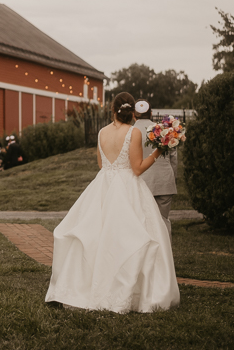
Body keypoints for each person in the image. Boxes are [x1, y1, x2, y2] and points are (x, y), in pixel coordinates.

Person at [45, 92, 180, 313]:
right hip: (128, 187)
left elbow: (101, 164)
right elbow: (136, 168)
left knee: (97, 236)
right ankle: (129, 290)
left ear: (112, 110)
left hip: (103, 186)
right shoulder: (134, 132)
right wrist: (157, 152)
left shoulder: (101, 133)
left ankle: (88, 287)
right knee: (130, 236)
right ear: (132, 113)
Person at [134, 100, 178, 238]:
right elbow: (174, 158)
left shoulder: (130, 132)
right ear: (151, 113)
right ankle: (166, 256)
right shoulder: (164, 131)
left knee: (142, 223)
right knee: (163, 221)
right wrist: (172, 178)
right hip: (164, 182)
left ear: (133, 115)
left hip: (141, 183)